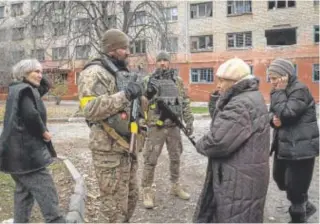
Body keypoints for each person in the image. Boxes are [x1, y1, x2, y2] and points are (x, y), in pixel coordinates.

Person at [77, 29, 146, 223]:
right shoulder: (93, 73)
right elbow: (90, 109)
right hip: (108, 151)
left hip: (127, 147)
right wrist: (125, 95)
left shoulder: (120, 72)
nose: (128, 52)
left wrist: (145, 96)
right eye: (123, 48)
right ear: (112, 49)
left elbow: (134, 107)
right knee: (113, 208)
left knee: (131, 199)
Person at [193, 58, 270, 223]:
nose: (218, 85)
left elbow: (218, 141)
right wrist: (217, 101)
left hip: (238, 180)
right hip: (247, 175)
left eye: (222, 80)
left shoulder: (240, 104)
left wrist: (200, 144)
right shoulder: (252, 96)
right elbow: (224, 124)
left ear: (235, 82)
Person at [0, 59, 66, 223]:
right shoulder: (25, 91)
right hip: (27, 158)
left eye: (41, 72)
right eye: (36, 71)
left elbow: (41, 89)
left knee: (24, 193)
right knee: (46, 190)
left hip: (15, 157)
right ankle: (56, 221)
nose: (40, 75)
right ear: (24, 73)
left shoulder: (19, 90)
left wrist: (37, 75)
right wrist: (43, 132)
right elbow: (31, 115)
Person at [141, 51, 194, 209]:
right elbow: (140, 103)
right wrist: (142, 122)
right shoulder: (148, 80)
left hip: (174, 127)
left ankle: (175, 185)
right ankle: (147, 190)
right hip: (155, 127)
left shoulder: (177, 81)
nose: (163, 63)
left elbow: (184, 101)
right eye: (160, 61)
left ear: (169, 62)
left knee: (176, 157)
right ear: (156, 63)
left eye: (165, 60)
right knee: (150, 159)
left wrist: (189, 121)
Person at [268, 58, 319, 223]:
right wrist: (272, 120)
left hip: (301, 148)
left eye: (274, 78)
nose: (272, 81)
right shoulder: (278, 90)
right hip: (284, 146)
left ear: (286, 76)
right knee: (280, 180)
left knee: (296, 189)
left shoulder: (300, 90)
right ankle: (306, 205)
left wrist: (279, 93)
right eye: (270, 78)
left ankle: (298, 217)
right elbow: (273, 112)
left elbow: (288, 114)